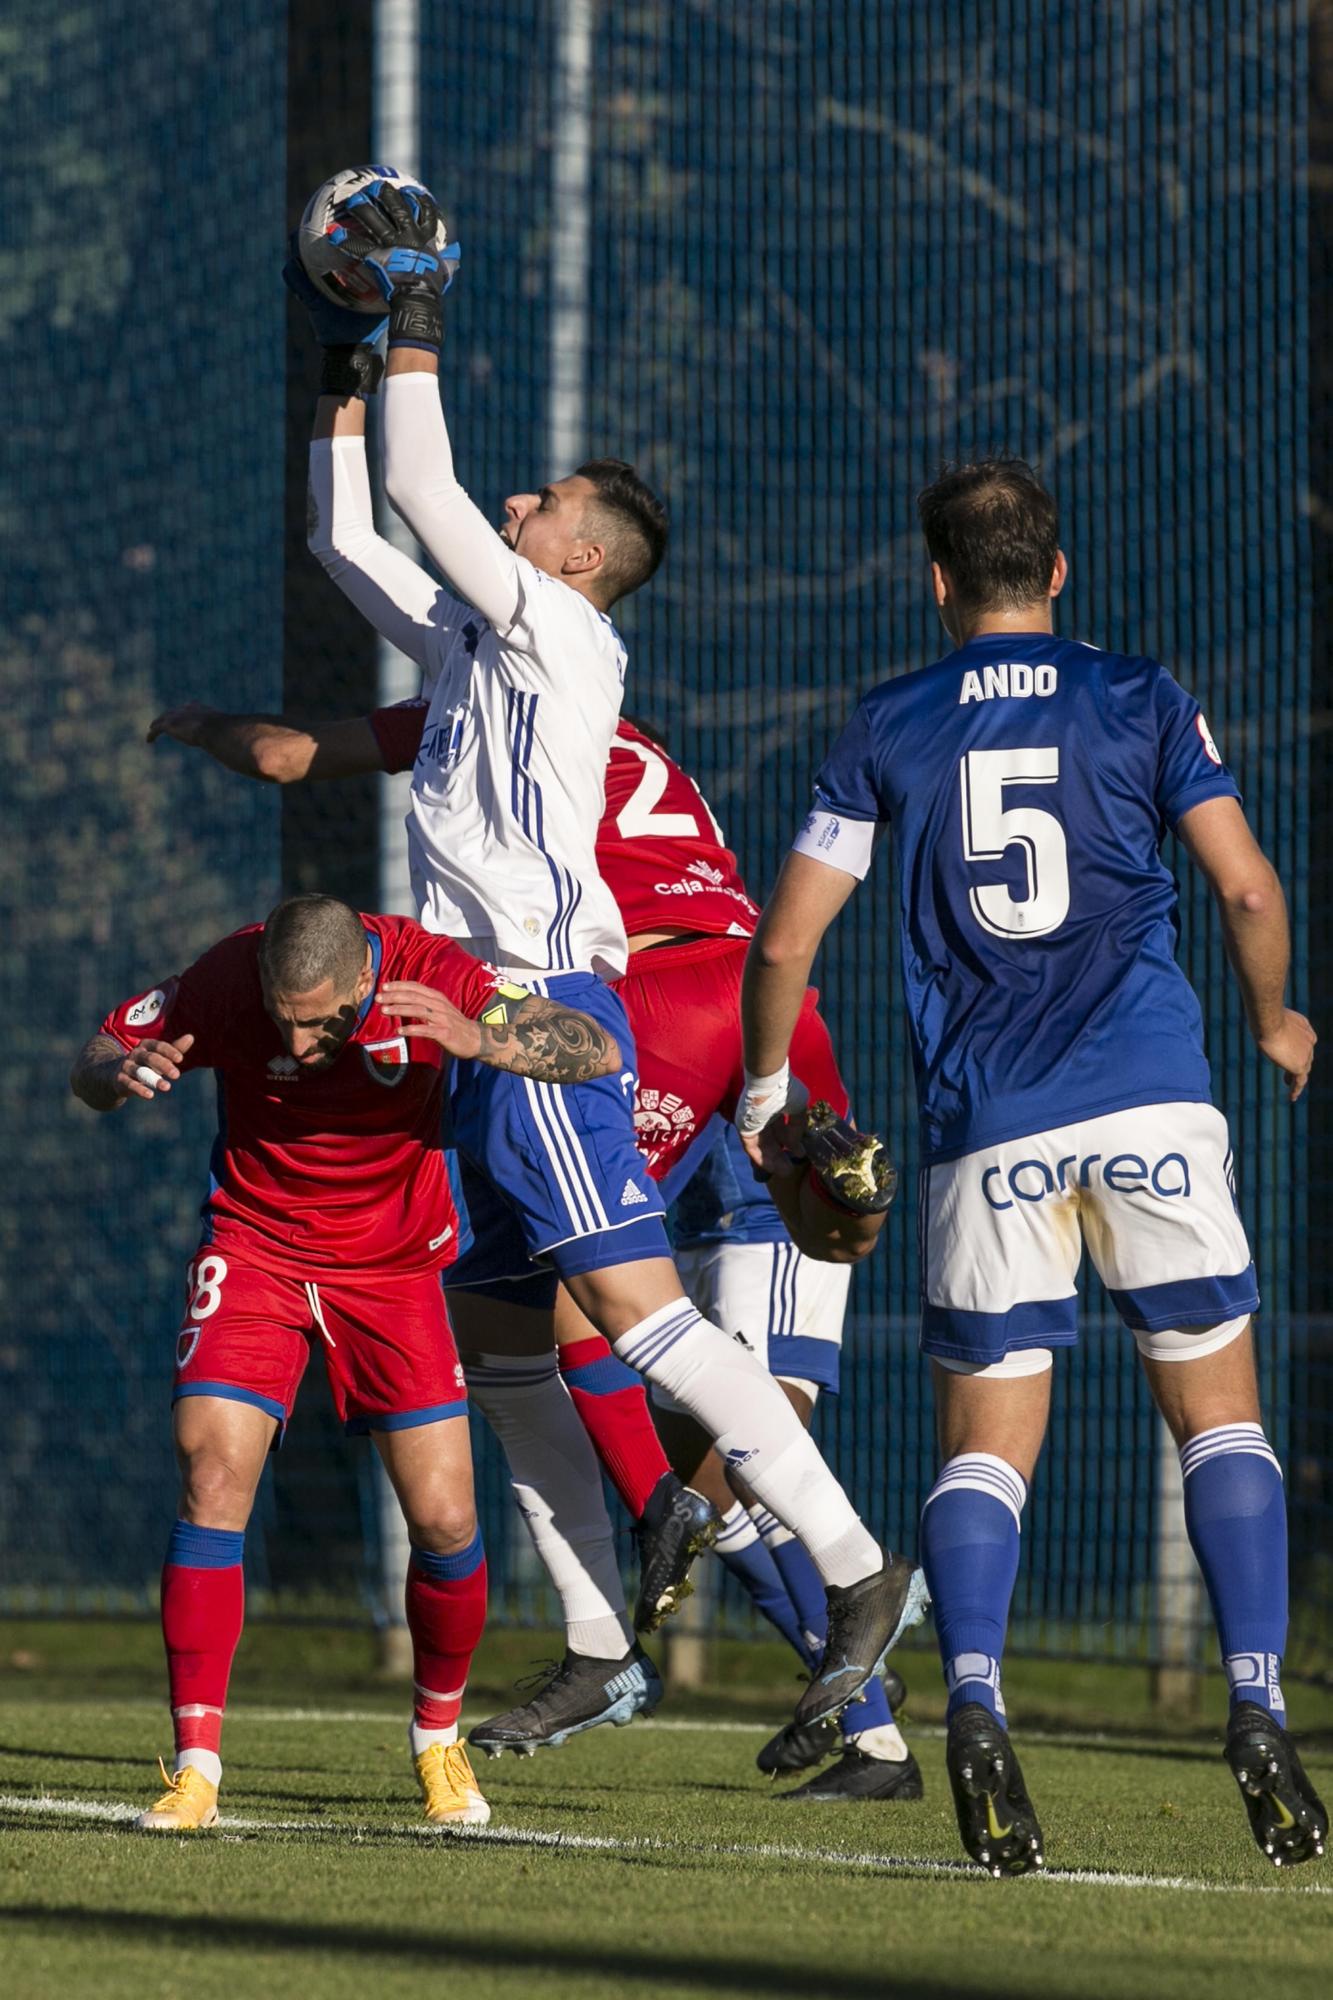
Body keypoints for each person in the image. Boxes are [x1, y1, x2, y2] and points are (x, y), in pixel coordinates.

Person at [235, 180, 921, 1752]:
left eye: (536, 505)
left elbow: (422, 479)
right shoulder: (482, 646)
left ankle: (855, 1559)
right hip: (468, 1011)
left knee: (639, 1309)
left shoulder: (557, 634)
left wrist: (416, 303)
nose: (513, 512)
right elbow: (353, 525)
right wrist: (345, 353)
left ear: (581, 556)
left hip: (538, 997)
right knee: (503, 1348)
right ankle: (604, 1640)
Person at [737, 457, 1327, 1874]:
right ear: (1055, 572)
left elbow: (784, 943)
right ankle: (1256, 1703)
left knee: (986, 1449)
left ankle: (979, 1698)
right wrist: (1274, 1017)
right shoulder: (1138, 695)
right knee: (1219, 1420)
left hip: (987, 1133)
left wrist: (768, 1094)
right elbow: (1245, 884)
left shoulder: (888, 725)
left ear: (935, 581)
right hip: (1153, 1109)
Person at [70, 893, 622, 1831]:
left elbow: (594, 1047)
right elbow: (91, 1061)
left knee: (446, 1521)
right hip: (255, 1249)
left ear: (366, 978)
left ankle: (437, 1744)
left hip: (393, 1267)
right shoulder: (221, 977)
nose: (301, 1040)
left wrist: (480, 1035)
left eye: (322, 1019)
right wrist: (121, 1072)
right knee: (211, 1474)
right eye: (283, 1020)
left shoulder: (430, 971)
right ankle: (195, 1768)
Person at [663, 1120, 921, 1804]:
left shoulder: (754, 1012)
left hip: (761, 1229)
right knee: (696, 1497)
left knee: (757, 1472)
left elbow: (778, 1074)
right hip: (687, 1230)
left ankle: (874, 1734)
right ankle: (848, 1672)